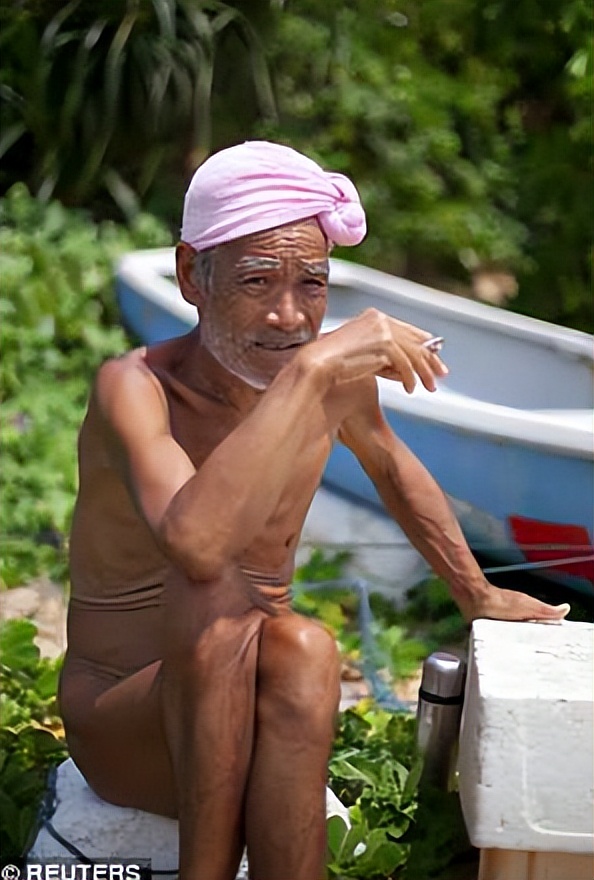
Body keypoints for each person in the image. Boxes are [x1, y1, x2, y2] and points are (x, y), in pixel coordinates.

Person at [59, 141, 570, 880]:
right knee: (218, 597)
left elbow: (395, 467)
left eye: (313, 284)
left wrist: (478, 592)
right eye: (259, 280)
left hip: (258, 692)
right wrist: (314, 366)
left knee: (306, 648)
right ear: (188, 276)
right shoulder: (135, 389)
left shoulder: (322, 378)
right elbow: (198, 545)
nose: (289, 314)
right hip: (130, 721)